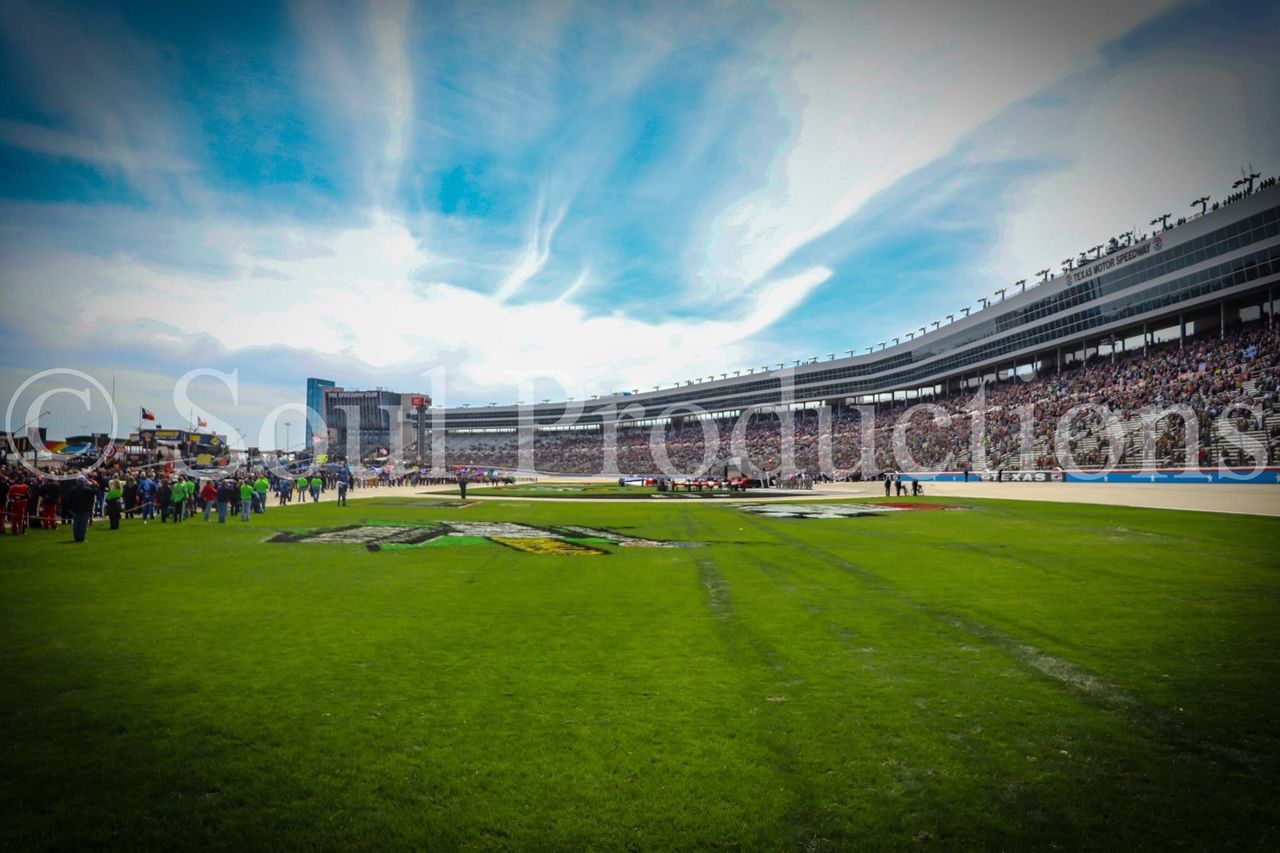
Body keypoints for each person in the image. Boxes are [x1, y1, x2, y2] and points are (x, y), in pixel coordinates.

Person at [68, 475, 96, 543]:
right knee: (83, 524)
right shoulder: (86, 489)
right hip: (84, 509)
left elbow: (69, 499)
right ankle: (81, 538)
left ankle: (76, 538)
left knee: (76, 524)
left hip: (75, 509)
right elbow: (95, 491)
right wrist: (92, 484)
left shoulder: (73, 489)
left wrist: (70, 508)